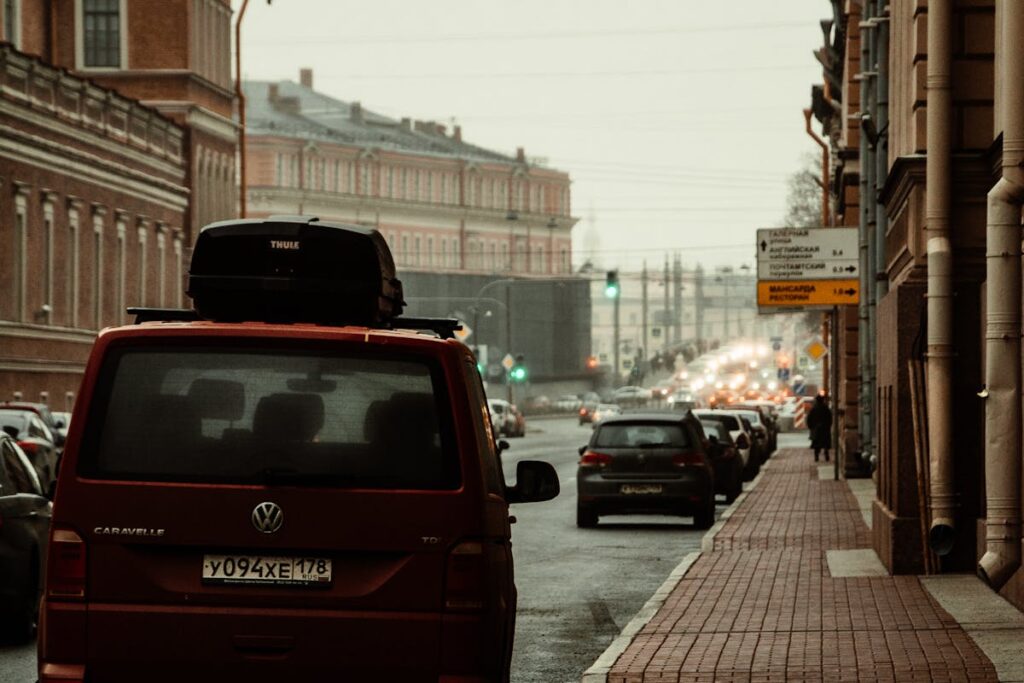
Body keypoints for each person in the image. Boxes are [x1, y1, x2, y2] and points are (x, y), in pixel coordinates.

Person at [807, 393, 833, 462]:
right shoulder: (826, 408)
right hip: (824, 429)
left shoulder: (813, 409)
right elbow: (830, 418)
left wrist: (811, 427)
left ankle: (816, 457)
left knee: (816, 444)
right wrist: (828, 426)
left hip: (816, 429)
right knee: (825, 444)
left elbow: (809, 419)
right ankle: (826, 456)